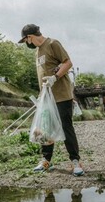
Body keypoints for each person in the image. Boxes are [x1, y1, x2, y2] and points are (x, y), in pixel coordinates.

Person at [18, 24, 84, 176]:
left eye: (26, 40)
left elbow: (68, 63)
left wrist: (55, 77)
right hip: (47, 97)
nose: (27, 43)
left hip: (61, 94)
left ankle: (75, 161)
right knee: (45, 128)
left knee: (66, 127)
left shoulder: (53, 44)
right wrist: (41, 94)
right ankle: (46, 160)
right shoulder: (37, 51)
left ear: (30, 37)